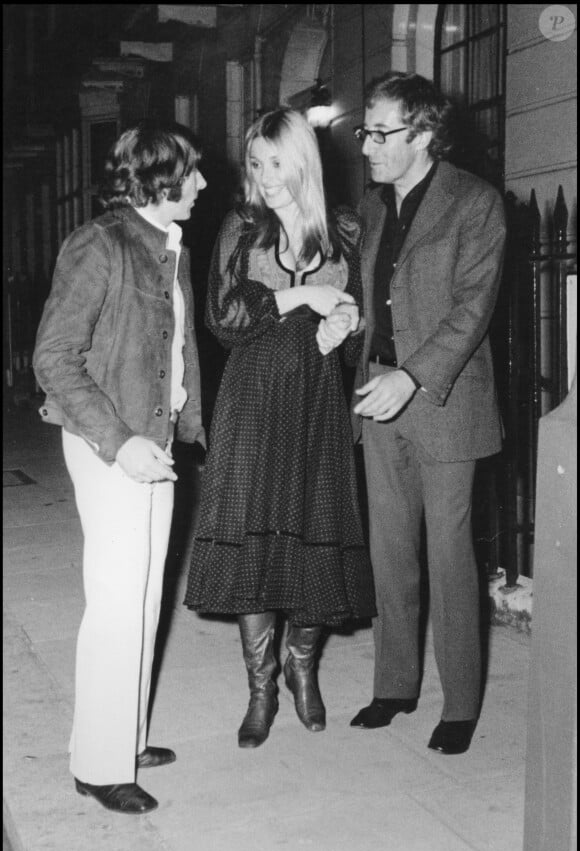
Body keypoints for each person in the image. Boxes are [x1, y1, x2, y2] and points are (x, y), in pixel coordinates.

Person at [184, 107, 376, 748]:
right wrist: (302, 298)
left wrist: (342, 328)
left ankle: (302, 669)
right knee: (254, 544)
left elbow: (359, 333)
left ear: (303, 162)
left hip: (319, 401)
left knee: (313, 534)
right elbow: (223, 317)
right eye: (256, 164)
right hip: (254, 397)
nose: (265, 178)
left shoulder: (344, 231)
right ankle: (261, 688)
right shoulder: (243, 227)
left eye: (276, 163)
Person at [32, 120, 207, 813]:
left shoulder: (168, 246)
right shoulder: (100, 244)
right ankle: (98, 764)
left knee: (143, 596)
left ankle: (125, 735)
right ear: (159, 177)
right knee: (114, 600)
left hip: (151, 442)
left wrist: (189, 429)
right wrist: (119, 439)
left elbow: (177, 348)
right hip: (109, 444)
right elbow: (54, 358)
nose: (200, 182)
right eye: (190, 172)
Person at [347, 72, 506, 754]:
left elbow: (473, 308)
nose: (368, 146)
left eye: (381, 133)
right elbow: (376, 297)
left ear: (424, 136)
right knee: (389, 549)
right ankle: (394, 683)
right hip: (378, 393)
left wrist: (411, 376)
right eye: (366, 132)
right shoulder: (375, 209)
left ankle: (461, 701)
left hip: (442, 398)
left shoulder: (475, 202)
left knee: (448, 555)